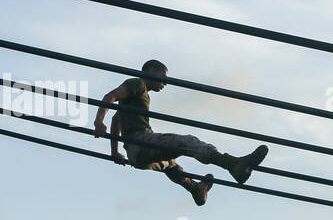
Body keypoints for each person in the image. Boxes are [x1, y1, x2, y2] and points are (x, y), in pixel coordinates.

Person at [92, 60, 268, 206]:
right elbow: (110, 96)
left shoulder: (138, 98)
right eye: (163, 78)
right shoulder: (137, 84)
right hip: (140, 142)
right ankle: (231, 164)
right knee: (186, 142)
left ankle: (196, 188)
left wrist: (114, 151)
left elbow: (116, 121)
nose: (165, 83)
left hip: (136, 154)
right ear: (151, 70)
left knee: (171, 164)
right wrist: (98, 121)